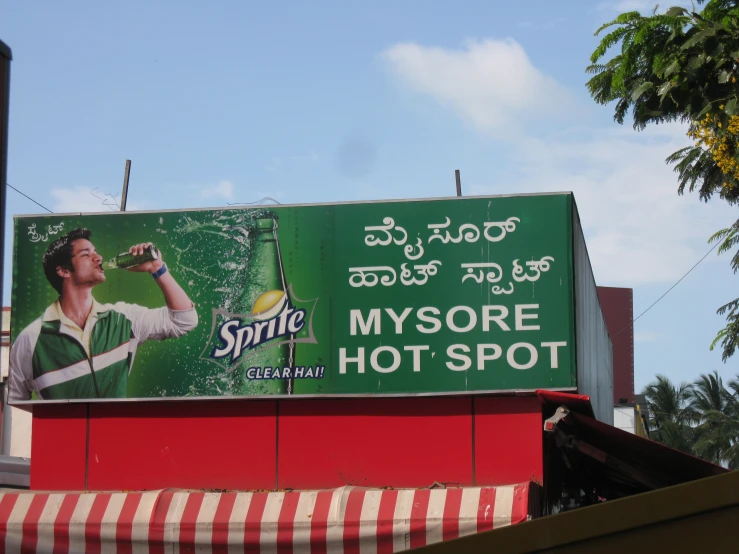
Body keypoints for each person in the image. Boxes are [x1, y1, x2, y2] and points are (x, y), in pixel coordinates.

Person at [8, 228, 198, 401]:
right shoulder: (30, 340)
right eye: (86, 254)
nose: (98, 258)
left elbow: (184, 321)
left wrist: (157, 268)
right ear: (63, 270)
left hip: (118, 438)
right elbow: (15, 406)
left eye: (95, 251)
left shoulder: (124, 319)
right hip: (62, 439)